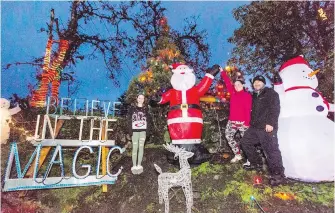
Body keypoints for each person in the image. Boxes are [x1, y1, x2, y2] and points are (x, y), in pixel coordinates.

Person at [240, 75, 285, 186]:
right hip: (255, 127)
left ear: (264, 83)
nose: (257, 83)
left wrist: (271, 123)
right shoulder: (254, 95)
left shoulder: (270, 93)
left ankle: (278, 175)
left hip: (267, 127)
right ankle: (256, 163)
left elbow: (275, 108)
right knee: (245, 142)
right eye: (255, 82)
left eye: (259, 82)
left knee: (271, 150)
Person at [220, 68, 252, 163]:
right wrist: (222, 72)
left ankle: (250, 158)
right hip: (232, 121)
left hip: (243, 123)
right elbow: (227, 83)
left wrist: (247, 123)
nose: (237, 86)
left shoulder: (247, 96)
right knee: (228, 136)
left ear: (242, 85)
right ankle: (238, 155)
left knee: (246, 141)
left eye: (239, 84)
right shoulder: (233, 94)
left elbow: (248, 110)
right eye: (235, 85)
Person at [127, 94, 152, 175]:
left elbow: (149, 121)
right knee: (135, 147)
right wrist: (130, 131)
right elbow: (129, 120)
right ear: (137, 99)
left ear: (144, 99)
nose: (141, 99)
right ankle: (134, 166)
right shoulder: (132, 109)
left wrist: (147, 131)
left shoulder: (147, 109)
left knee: (141, 148)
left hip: (143, 131)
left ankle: (139, 165)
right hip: (134, 131)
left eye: (142, 98)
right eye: (139, 98)